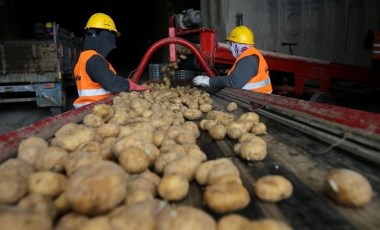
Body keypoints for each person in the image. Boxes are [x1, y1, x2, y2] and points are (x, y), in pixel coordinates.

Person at [73, 12, 148, 108]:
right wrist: (129, 85)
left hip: (87, 108)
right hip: (97, 109)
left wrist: (124, 81)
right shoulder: (94, 59)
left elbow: (102, 78)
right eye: (111, 34)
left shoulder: (83, 58)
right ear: (104, 36)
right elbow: (111, 83)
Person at [192, 25, 272, 94]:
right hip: (256, 97)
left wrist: (210, 81)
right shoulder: (249, 54)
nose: (230, 48)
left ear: (237, 44)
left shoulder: (249, 59)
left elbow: (234, 82)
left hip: (258, 101)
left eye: (231, 44)